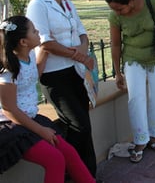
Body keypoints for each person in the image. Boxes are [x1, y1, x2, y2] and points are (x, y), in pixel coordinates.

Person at [0, 16, 95, 183]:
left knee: (69, 153)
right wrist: (40, 130)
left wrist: (45, 49)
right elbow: (9, 109)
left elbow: (33, 73)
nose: (38, 33)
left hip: (30, 119)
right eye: (34, 31)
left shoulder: (28, 55)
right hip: (13, 125)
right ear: (23, 41)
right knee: (54, 160)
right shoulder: (8, 69)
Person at [26, 0, 97, 176]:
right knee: (78, 125)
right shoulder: (38, 6)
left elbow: (82, 33)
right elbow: (45, 42)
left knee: (84, 124)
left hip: (76, 71)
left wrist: (82, 52)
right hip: (54, 75)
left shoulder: (68, 5)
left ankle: (88, 174)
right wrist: (77, 54)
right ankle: (72, 175)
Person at [105, 0, 155, 163]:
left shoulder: (150, 0)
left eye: (119, 8)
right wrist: (118, 72)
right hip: (133, 58)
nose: (116, 12)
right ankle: (140, 141)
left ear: (130, 1)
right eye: (113, 9)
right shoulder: (115, 16)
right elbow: (115, 44)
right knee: (136, 98)